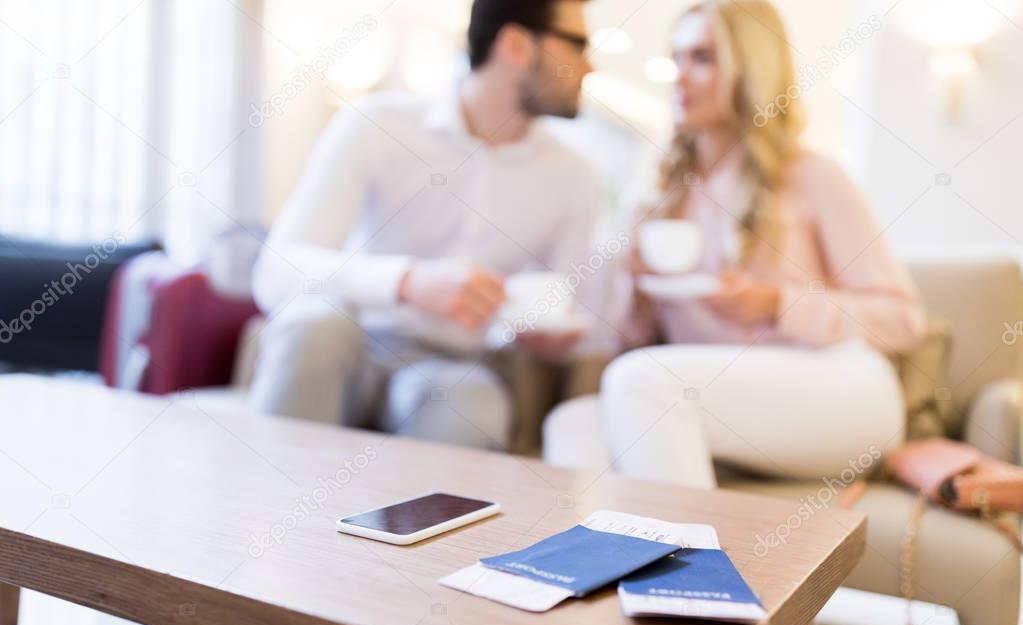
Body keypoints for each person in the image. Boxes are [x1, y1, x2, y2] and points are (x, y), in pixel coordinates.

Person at [543, 0, 926, 488]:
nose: (678, 76)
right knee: (573, 423)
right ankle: (606, 562)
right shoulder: (659, 199)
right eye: (677, 58)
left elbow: (903, 321)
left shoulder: (811, 176)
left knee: (640, 381)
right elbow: (631, 346)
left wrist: (776, 303)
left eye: (702, 58)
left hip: (840, 386)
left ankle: (694, 563)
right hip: (719, 401)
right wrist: (635, 290)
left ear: (751, 69)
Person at [249, 0, 598, 451]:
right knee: (312, 326)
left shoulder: (573, 177)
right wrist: (409, 282)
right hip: (352, 336)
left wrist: (549, 336)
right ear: (515, 44)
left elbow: (571, 311)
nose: (590, 66)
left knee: (471, 406)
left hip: (452, 366)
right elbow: (275, 272)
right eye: (578, 45)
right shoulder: (377, 124)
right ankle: (265, 516)